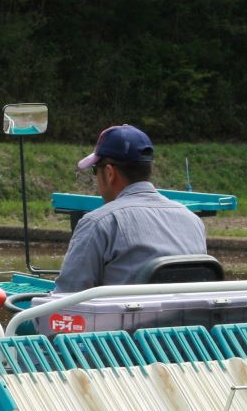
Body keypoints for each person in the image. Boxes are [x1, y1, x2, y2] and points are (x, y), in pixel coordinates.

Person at [51, 124, 207, 293]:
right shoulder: (193, 221)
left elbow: (66, 300)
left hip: (128, 320)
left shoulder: (99, 224)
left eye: (96, 170)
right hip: (187, 319)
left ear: (110, 173)